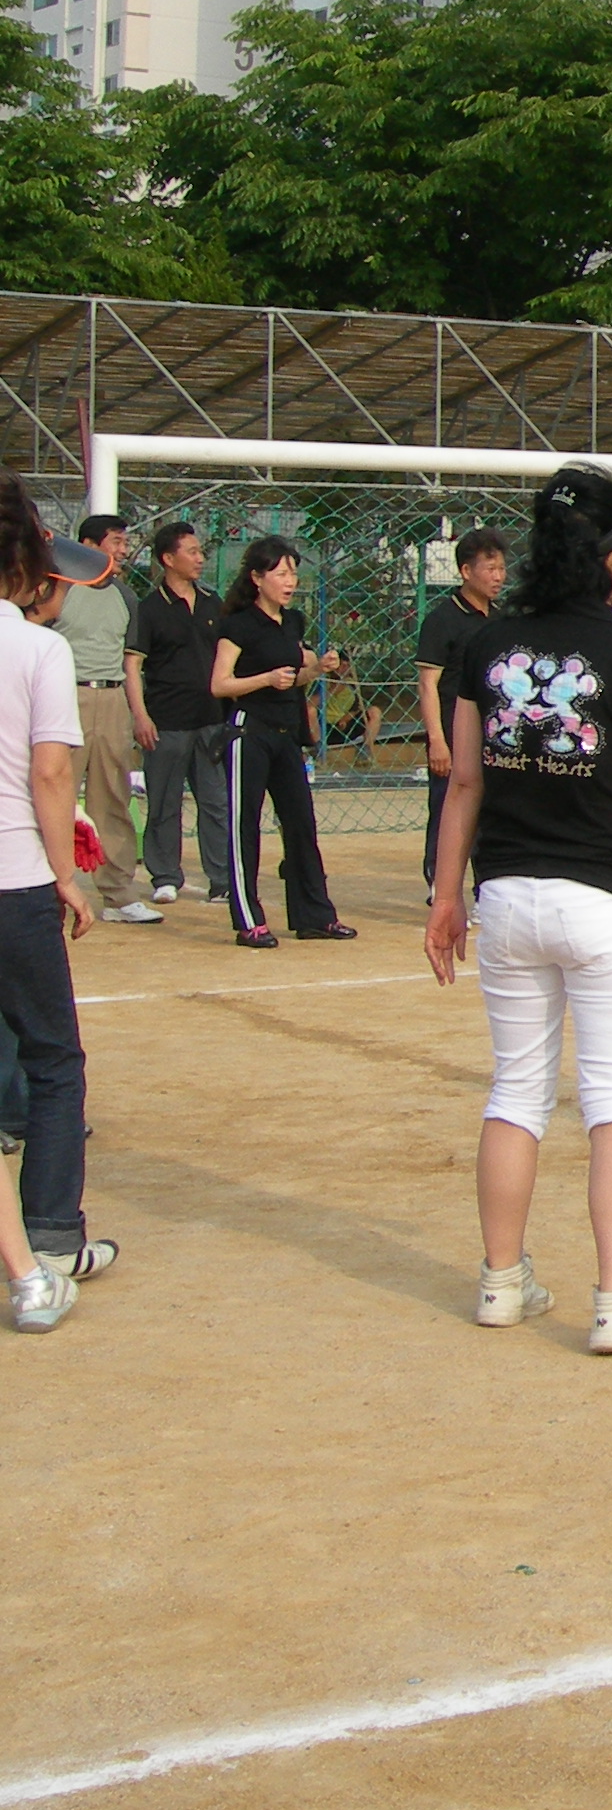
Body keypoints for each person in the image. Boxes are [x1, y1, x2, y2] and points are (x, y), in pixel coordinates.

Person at [427, 464, 612, 1354]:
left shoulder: (488, 645)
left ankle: (500, 1282)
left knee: (515, 1091)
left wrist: (446, 897)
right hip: (608, 903)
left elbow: (464, 784)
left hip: (508, 896)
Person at [0, 484, 119, 1325]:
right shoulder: (36, 649)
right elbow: (50, 772)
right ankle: (49, 1235)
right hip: (12, 877)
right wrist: (64, 876)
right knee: (52, 1059)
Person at [211, 535, 353, 950]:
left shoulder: (292, 622)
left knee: (301, 824)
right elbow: (220, 684)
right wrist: (266, 679)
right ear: (257, 578)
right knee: (245, 827)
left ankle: (314, 916)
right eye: (281, 573)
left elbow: (296, 676)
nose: (290, 581)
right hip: (249, 732)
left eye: (293, 573)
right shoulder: (238, 625)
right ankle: (248, 921)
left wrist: (319, 668)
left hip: (285, 733)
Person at [44, 515, 155, 925]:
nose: (123, 550)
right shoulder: (59, 590)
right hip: (66, 695)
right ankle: (48, 889)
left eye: (125, 542)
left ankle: (119, 895)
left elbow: (131, 663)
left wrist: (138, 714)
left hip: (111, 699)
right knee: (56, 793)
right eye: (116, 541)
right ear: (88, 546)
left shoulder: (125, 596)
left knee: (113, 796)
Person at [126, 519, 232, 913]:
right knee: (164, 802)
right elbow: (133, 665)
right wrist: (140, 716)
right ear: (168, 559)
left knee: (216, 802)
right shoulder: (150, 608)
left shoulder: (212, 601)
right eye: (192, 552)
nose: (200, 558)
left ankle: (221, 879)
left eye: (200, 551)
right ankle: (165, 877)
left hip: (210, 720)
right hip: (166, 721)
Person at [416, 527, 511, 899]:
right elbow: (428, 685)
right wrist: (437, 741)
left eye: (501, 568)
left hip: (494, 732)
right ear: (466, 571)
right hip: (454, 730)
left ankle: (487, 887)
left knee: (492, 815)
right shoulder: (443, 619)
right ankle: (442, 886)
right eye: (490, 569)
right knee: (448, 810)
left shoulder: (502, 619)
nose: (498, 577)